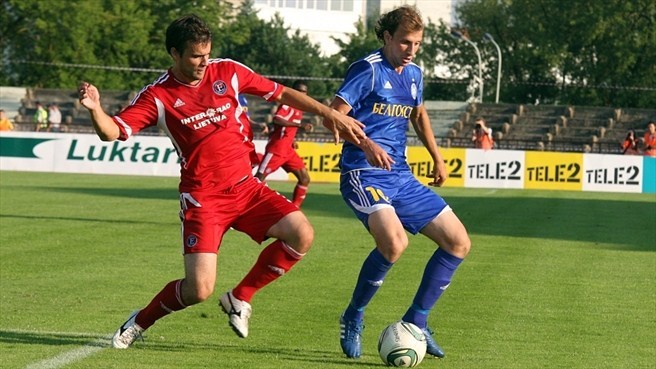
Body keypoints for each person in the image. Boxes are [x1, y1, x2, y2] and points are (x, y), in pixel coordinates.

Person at [77, 14, 365, 350]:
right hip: (204, 199)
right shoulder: (158, 96)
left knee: (302, 234)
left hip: (246, 188)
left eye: (207, 54)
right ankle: (140, 320)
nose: (203, 63)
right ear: (174, 53)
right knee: (198, 289)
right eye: (195, 56)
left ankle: (240, 297)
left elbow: (281, 93)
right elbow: (114, 131)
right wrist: (95, 110)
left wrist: (328, 113)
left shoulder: (227, 71)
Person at [324, 5, 471, 360]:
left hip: (401, 176)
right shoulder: (368, 70)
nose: (412, 50)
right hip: (362, 172)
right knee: (394, 243)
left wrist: (437, 157)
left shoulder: (415, 74)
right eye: (405, 42)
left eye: (417, 44)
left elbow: (418, 114)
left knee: (458, 242)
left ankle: (417, 321)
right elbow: (333, 116)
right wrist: (367, 144)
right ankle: (353, 316)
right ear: (388, 37)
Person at [256, 81, 312, 207]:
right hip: (277, 149)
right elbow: (277, 119)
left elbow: (286, 127)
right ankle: (238, 211)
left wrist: (292, 140)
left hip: (288, 150)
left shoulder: (300, 107)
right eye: (299, 91)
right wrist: (300, 125)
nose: (302, 94)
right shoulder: (288, 104)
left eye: (304, 92)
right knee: (257, 180)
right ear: (293, 91)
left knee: (305, 178)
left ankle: (295, 208)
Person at [238, 94, 268, 168]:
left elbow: (246, 119)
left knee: (249, 166)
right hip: (235, 138)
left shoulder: (242, 97)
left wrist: (258, 125)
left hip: (246, 139)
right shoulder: (226, 94)